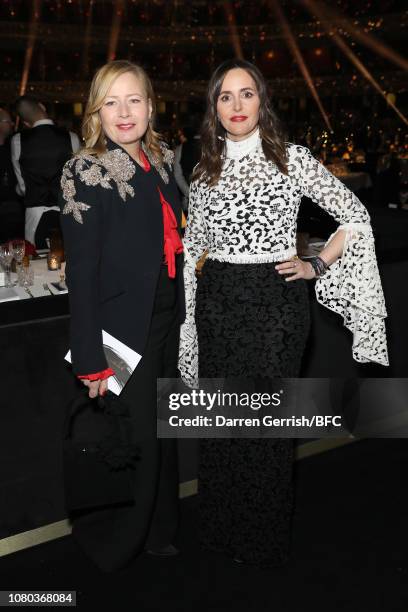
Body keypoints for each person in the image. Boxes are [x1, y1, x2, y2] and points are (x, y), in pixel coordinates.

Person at [178, 59, 388, 567]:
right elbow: (196, 244)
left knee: (265, 423)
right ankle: (222, 531)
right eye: (225, 97)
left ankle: (262, 542)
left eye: (246, 93)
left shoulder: (292, 158)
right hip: (220, 301)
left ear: (261, 100)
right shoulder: (204, 166)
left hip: (276, 302)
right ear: (214, 107)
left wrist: (317, 264)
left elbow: (354, 216)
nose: (236, 105)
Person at [58, 60, 184, 572]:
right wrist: (91, 359)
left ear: (151, 107)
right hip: (123, 326)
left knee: (167, 427)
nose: (124, 112)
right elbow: (81, 274)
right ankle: (119, 547)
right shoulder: (85, 169)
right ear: (96, 112)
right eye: (111, 102)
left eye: (134, 100)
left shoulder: (162, 159)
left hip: (169, 314)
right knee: (142, 439)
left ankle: (162, 529)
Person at [11, 96, 81, 248]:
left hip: (34, 215)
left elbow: (23, 187)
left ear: (25, 123)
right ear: (42, 106)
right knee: (67, 259)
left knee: (35, 262)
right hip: (66, 211)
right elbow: (77, 179)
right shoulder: (72, 137)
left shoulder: (17, 141)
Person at [173, 123, 201, 213]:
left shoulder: (180, 149)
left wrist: (189, 193)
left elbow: (177, 175)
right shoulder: (212, 146)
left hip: (189, 201)